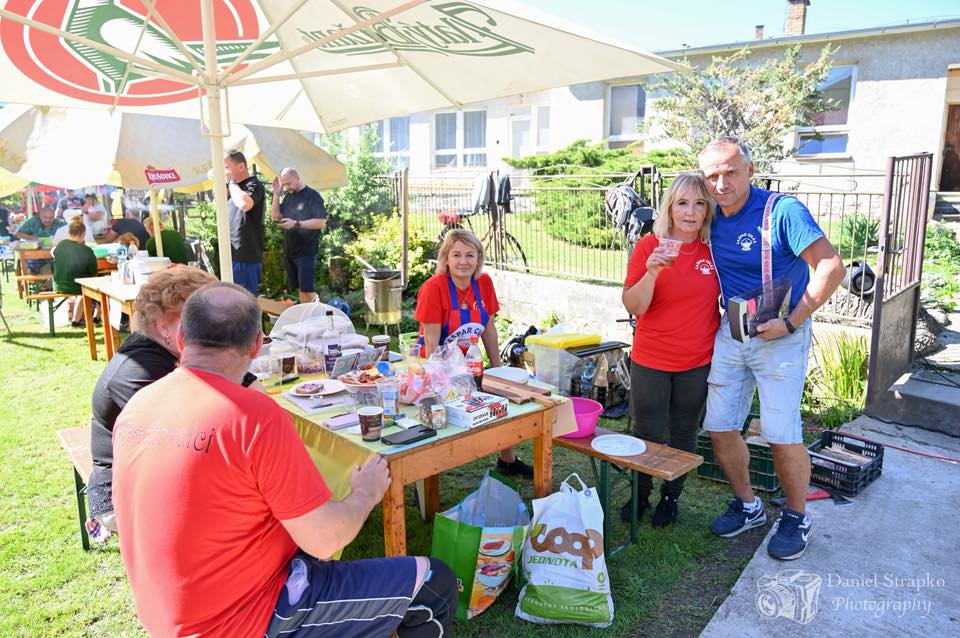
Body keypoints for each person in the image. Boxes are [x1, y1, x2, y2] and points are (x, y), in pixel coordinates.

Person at [112, 282, 457, 637]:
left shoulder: (139, 404)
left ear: (182, 338)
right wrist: (365, 493)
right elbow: (326, 540)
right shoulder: (252, 415)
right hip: (243, 618)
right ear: (257, 345)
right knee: (434, 582)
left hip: (168, 615)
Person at [698, 137, 844, 560]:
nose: (721, 183)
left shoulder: (782, 211)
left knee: (781, 433)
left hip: (781, 336)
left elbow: (831, 266)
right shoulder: (709, 213)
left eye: (730, 172)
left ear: (750, 169)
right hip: (732, 332)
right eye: (712, 176)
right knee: (719, 426)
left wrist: (793, 320)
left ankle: (797, 516)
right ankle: (749, 505)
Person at [86, 268, 219, 541]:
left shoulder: (157, 350)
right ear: (163, 325)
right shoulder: (142, 371)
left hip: (154, 474)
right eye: (199, 319)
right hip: (122, 496)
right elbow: (194, 438)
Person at [621, 171, 719, 528]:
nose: (690, 212)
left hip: (696, 361)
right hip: (652, 359)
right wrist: (651, 273)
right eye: (682, 203)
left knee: (683, 432)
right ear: (670, 207)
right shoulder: (649, 246)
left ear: (707, 210)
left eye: (699, 203)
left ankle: (670, 498)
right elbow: (634, 306)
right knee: (647, 431)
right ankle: (640, 494)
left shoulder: (714, 250)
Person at [415, 228, 533, 478]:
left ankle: (508, 461)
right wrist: (441, 381)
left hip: (472, 364)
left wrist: (496, 369)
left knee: (501, 403)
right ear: (446, 258)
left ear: (479, 258)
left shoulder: (483, 283)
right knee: (439, 418)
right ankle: (423, 478)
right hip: (438, 366)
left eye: (470, 255)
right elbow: (431, 344)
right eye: (456, 255)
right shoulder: (433, 289)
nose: (463, 262)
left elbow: (488, 329)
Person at [271, 168, 327, 303]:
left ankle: (322, 313)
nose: (286, 187)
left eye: (289, 183)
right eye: (284, 184)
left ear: (298, 178)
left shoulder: (312, 196)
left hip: (306, 251)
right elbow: (275, 217)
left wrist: (296, 223)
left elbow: (321, 222)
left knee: (308, 289)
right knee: (301, 290)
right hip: (290, 251)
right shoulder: (288, 196)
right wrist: (276, 195)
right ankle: (306, 316)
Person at [225, 149, 266, 295]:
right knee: (232, 299)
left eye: (226, 166)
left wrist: (231, 181)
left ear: (241, 166)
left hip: (246, 255)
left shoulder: (254, 184)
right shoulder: (233, 188)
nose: (224, 171)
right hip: (231, 253)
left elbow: (244, 204)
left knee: (245, 300)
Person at [52, 217, 99, 325]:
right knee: (93, 288)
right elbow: (93, 272)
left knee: (84, 289)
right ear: (83, 234)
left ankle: (76, 320)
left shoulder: (61, 245)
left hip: (59, 285)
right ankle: (97, 316)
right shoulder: (86, 250)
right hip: (77, 287)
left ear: (69, 232)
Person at [17, 206, 65, 275]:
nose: (47, 220)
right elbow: (19, 234)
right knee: (30, 267)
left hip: (54, 254)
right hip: (35, 254)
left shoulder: (60, 224)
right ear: (40, 216)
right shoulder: (33, 221)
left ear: (54, 217)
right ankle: (33, 278)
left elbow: (70, 233)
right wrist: (33, 238)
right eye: (45, 217)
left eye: (51, 218)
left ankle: (52, 280)